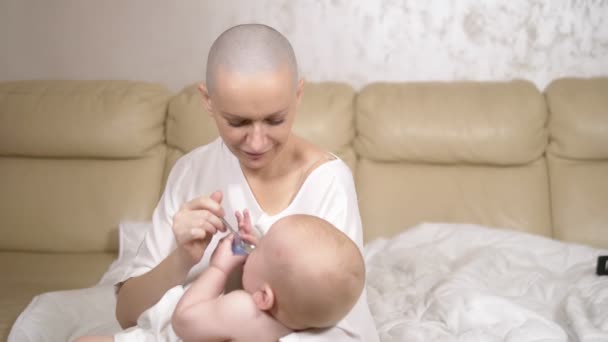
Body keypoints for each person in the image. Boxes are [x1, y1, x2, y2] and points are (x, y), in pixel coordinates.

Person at [113, 23, 379, 341]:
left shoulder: (329, 182)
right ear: (208, 101)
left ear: (297, 96)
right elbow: (126, 314)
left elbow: (350, 330)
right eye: (237, 122)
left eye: (274, 120)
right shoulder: (191, 171)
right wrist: (183, 259)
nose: (256, 142)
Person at [75, 214, 366, 342]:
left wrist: (218, 269)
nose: (251, 250)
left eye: (258, 249)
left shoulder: (244, 309)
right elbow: (281, 266)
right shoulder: (283, 326)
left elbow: (185, 321)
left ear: (264, 297)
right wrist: (259, 244)